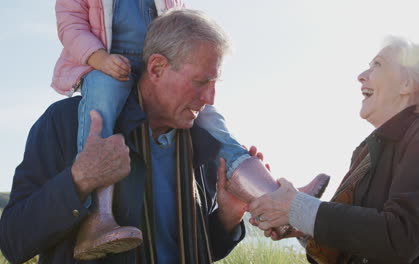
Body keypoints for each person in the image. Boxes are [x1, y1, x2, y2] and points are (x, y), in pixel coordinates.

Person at [0, 9, 248, 264]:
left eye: (214, 83)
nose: (210, 98)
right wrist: (79, 180)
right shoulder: (66, 123)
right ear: (157, 68)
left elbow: (199, 250)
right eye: (200, 82)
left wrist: (227, 218)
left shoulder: (201, 143)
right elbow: (12, 241)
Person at [248, 36, 419, 264]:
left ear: (407, 84)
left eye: (378, 64)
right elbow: (360, 240)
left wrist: (298, 208)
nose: (361, 75)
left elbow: (401, 237)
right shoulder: (367, 150)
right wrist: (303, 227)